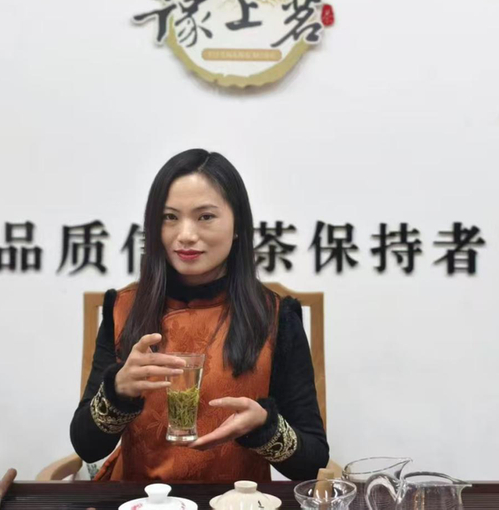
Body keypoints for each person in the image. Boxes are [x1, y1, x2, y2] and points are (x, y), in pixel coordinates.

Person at [70, 149, 328, 482]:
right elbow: (87, 447)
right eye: (169, 217)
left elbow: (312, 462)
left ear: (238, 225)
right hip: (141, 501)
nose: (186, 234)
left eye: (205, 217)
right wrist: (118, 390)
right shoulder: (123, 309)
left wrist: (265, 427)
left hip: (236, 501)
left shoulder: (275, 317)